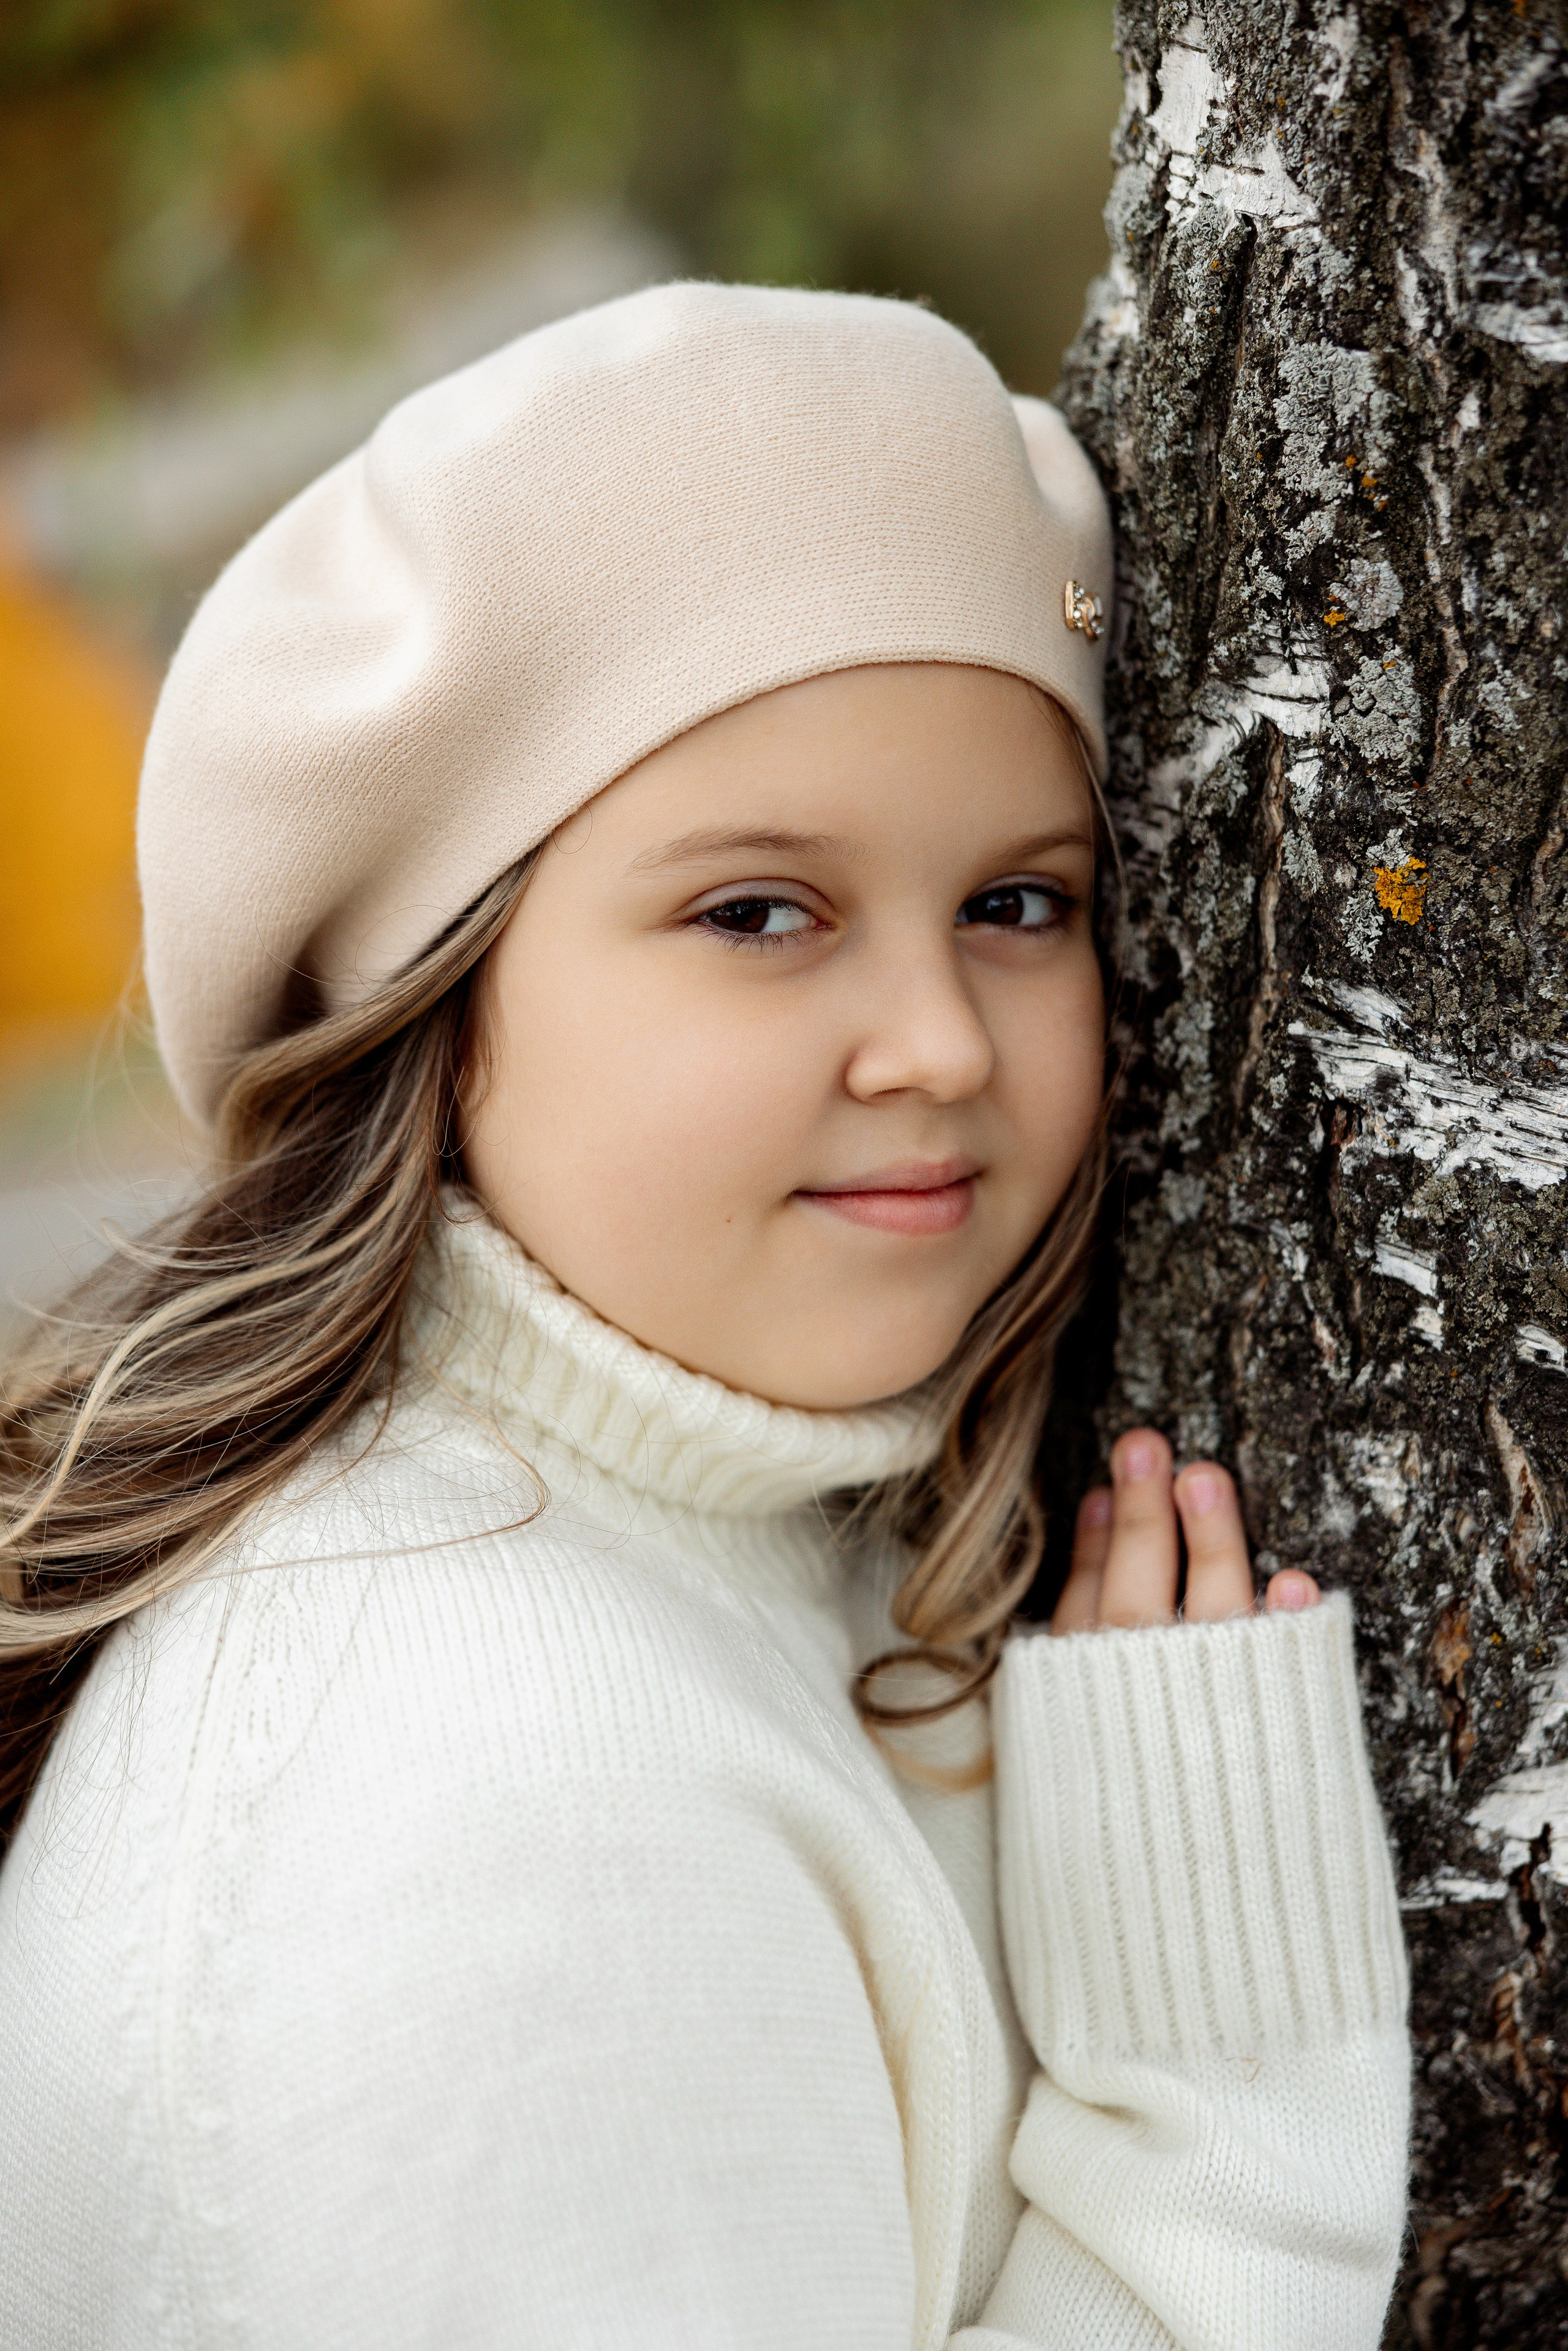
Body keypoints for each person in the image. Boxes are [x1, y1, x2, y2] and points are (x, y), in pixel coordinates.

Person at [0, 283, 1409, 2349]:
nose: (936, 1040)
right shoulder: (502, 1833)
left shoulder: (721, 1554)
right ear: (431, 990)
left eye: (1018, 903)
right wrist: (1214, 2135)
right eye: (760, 913)